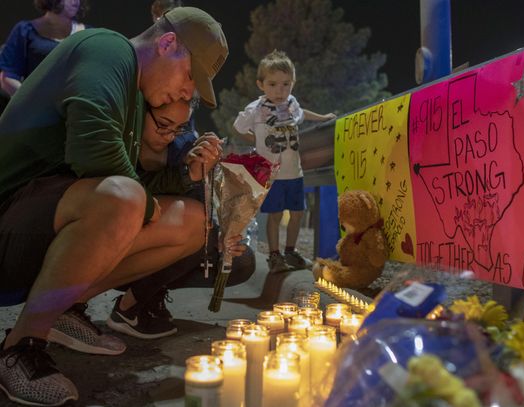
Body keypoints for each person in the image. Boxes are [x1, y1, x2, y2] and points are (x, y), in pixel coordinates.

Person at [0, 7, 229, 406]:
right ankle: (20, 348)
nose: (187, 94)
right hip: (8, 220)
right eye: (190, 76)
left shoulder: (132, 95)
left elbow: (127, 181)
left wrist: (186, 177)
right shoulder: (108, 49)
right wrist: (147, 206)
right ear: (167, 42)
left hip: (43, 221)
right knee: (126, 199)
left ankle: (64, 309)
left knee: (194, 223)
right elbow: (95, 150)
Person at [106, 99, 254, 339]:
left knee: (240, 260)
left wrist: (221, 235)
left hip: (166, 242)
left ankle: (151, 293)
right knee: (193, 229)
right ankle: (127, 307)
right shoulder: (119, 143)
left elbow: (202, 208)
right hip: (121, 244)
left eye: (179, 128)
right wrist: (185, 174)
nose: (169, 136)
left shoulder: (184, 148)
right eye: (163, 125)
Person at [234, 50, 336, 273]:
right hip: (273, 174)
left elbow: (302, 114)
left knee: (297, 214)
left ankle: (291, 251)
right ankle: (274, 256)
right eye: (272, 84)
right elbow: (238, 127)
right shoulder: (256, 109)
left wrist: (323, 117)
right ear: (261, 84)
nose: (279, 90)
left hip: (295, 173)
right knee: (275, 215)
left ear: (292, 83)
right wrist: (257, 141)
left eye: (285, 84)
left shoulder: (291, 104)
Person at [0, 0, 89, 97]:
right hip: (38, 106)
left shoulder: (89, 34)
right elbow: (8, 78)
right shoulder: (25, 31)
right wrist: (34, 103)